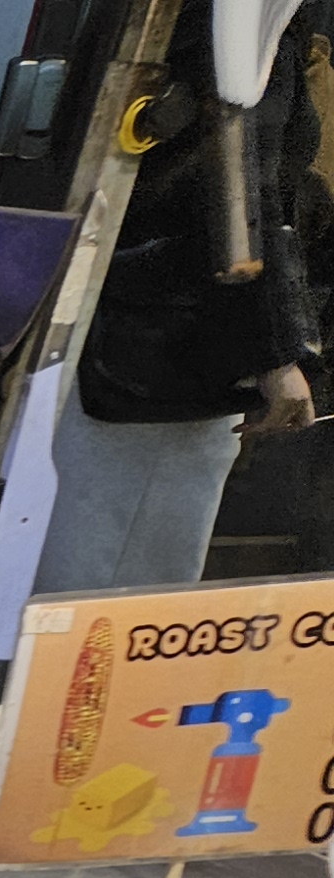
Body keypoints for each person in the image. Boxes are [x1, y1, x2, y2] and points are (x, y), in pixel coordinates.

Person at [39, 0, 328, 593]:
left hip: (142, 323)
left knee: (105, 564)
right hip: (162, 342)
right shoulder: (233, 18)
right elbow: (232, 187)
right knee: (118, 583)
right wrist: (274, 354)